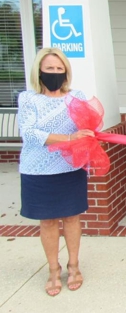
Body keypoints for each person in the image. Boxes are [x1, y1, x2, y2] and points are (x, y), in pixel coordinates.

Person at [18, 48, 95, 297]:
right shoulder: (27, 99)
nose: (54, 73)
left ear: (66, 72)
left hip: (69, 168)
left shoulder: (77, 97)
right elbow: (29, 134)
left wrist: (90, 135)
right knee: (48, 221)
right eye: (49, 68)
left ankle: (73, 265)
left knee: (72, 218)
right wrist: (68, 137)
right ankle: (53, 269)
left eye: (59, 69)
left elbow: (87, 127)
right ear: (39, 71)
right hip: (37, 169)